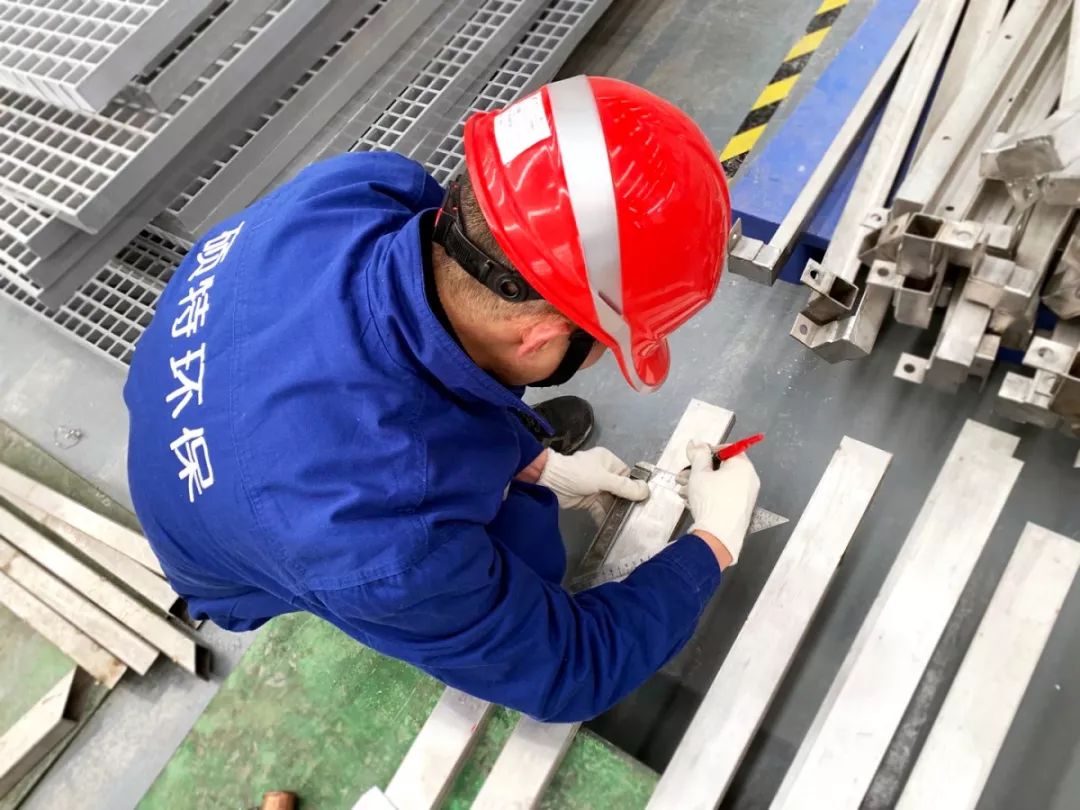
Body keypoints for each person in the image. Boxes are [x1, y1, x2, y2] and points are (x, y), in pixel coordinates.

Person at [124, 76, 761, 722]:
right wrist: (714, 539)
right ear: (541, 338)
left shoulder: (358, 187)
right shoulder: (379, 542)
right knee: (525, 551)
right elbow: (574, 668)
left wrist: (536, 461)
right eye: (606, 345)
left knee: (482, 440)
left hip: (216, 386)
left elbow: (418, 331)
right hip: (229, 551)